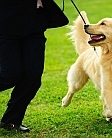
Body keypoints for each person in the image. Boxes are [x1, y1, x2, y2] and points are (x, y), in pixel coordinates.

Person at [0, 0, 69, 132]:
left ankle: (12, 120)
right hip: (6, 23)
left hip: (34, 23)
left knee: (33, 77)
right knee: (10, 75)